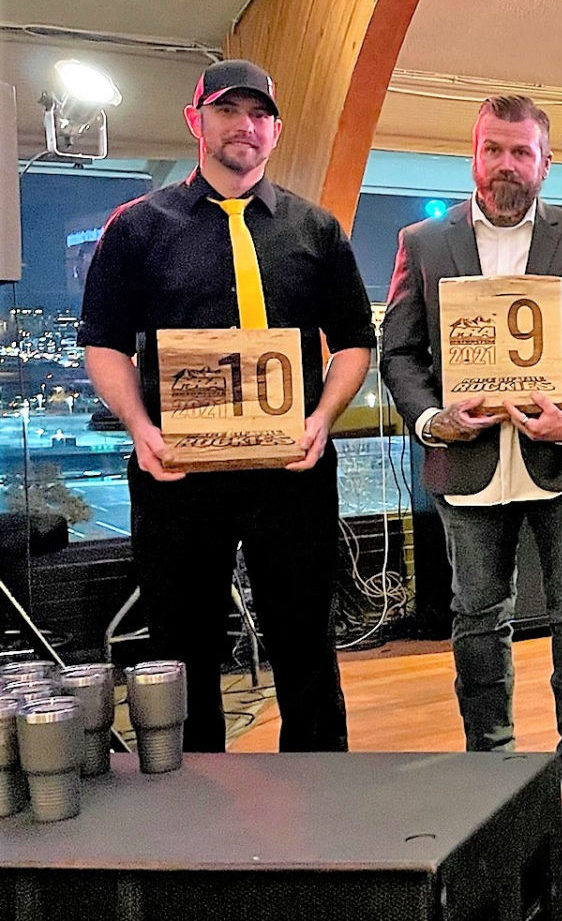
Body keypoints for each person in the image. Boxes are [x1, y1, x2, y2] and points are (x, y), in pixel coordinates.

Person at [79, 59, 373, 754]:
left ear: (274, 130)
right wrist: (142, 428)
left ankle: (321, 798)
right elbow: (105, 344)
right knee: (183, 649)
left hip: (293, 473)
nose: (245, 126)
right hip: (179, 476)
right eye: (227, 110)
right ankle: (196, 814)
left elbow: (356, 342)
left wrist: (322, 417)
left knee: (306, 641)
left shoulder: (317, 229)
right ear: (196, 120)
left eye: (259, 114)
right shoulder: (138, 229)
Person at [381, 95, 562, 831]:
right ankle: (491, 767)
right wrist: (433, 417)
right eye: (494, 149)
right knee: (476, 619)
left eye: (521, 152)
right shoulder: (423, 243)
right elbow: (399, 350)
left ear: (545, 163)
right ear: (474, 154)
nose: (506, 165)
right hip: (467, 466)